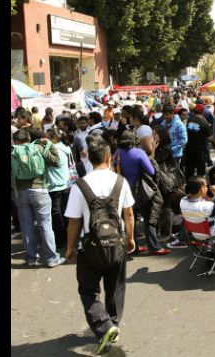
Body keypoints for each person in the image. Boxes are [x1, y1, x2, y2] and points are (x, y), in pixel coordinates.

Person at [64, 135, 136, 354]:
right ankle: (113, 323)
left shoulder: (81, 185)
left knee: (88, 289)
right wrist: (131, 238)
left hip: (90, 246)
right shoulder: (120, 181)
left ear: (90, 158)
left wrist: (69, 248)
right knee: (115, 288)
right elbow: (129, 213)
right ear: (108, 157)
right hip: (118, 243)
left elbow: (74, 221)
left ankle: (104, 327)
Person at [12, 129, 65, 267]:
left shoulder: (13, 151)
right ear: (28, 139)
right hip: (40, 190)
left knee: (26, 226)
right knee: (45, 225)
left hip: (22, 193)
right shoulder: (38, 148)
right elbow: (56, 161)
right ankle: (51, 259)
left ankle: (31, 258)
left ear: (15, 141)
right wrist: (49, 144)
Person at [113, 131, 168, 255]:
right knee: (149, 219)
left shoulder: (117, 153)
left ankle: (133, 246)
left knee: (129, 219)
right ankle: (154, 247)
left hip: (123, 191)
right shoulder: (139, 153)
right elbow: (151, 171)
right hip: (141, 192)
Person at [45, 127, 76, 249]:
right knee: (65, 212)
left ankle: (61, 240)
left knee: (56, 214)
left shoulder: (53, 149)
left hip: (55, 186)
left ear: (54, 138)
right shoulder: (66, 148)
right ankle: (70, 238)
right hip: (67, 184)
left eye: (47, 138)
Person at [183, 104, 211, 179]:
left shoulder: (189, 119)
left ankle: (188, 184)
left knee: (189, 169)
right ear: (202, 112)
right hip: (200, 150)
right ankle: (199, 186)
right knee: (201, 170)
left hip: (189, 148)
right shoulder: (204, 122)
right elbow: (210, 137)